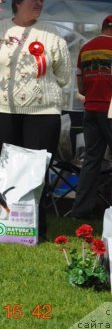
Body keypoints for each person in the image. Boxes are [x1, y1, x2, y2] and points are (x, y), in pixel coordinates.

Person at [0, 0, 72, 240]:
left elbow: (64, 76)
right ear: (18, 1)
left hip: (43, 114)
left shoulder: (52, 35)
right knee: (2, 169)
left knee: (37, 171)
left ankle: (36, 228)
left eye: (42, 0)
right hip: (2, 111)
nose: (39, 3)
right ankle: (2, 224)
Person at [69, 15, 112, 219]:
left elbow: (81, 85)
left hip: (91, 108)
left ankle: (80, 210)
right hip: (111, 108)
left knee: (92, 161)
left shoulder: (86, 48)